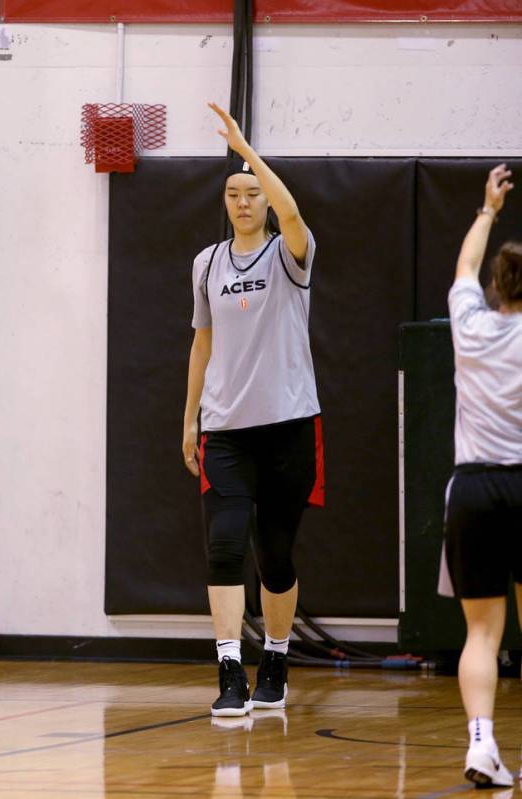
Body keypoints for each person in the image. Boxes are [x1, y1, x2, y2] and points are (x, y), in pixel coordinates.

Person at [182, 102, 324, 717]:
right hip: (226, 429)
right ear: (225, 204)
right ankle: (230, 670)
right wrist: (190, 417)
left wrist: (248, 150)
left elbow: (291, 211)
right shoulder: (206, 264)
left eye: (252, 192)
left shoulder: (291, 253)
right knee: (222, 547)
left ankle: (276, 657)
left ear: (263, 200)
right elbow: (203, 341)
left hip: (290, 426)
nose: (243, 201)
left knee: (275, 555)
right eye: (234, 193)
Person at [440, 164, 522, 789]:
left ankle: (481, 744)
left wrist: (488, 209)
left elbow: (463, 270)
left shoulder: (469, 326)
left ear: (498, 286)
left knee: (482, 632)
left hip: (473, 491)